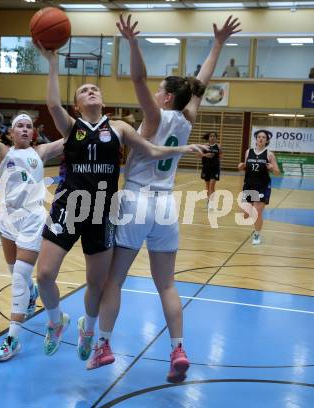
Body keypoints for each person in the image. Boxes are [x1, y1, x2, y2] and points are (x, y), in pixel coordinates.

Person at [88, 15, 241, 384]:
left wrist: (132, 42)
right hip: (166, 207)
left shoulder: (155, 118)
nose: (153, 93)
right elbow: (200, 86)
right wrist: (218, 43)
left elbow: (138, 78)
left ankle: (103, 345)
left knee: (114, 281)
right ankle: (178, 349)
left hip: (137, 201)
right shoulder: (187, 120)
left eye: (159, 90)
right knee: (167, 285)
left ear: (167, 97)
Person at [34, 41, 202, 361]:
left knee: (96, 284)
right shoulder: (72, 127)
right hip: (69, 205)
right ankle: (56, 322)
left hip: (103, 212)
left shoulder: (120, 127)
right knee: (44, 275)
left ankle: (89, 329)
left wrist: (182, 150)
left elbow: (151, 150)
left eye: (96, 88)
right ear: (77, 105)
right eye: (84, 90)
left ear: (103, 99)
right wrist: (53, 64)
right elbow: (53, 105)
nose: (92, 91)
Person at [0, 72, 65, 361]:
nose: (24, 129)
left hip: (33, 219)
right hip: (8, 222)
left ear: (33, 133)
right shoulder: (2, 152)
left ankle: (12, 339)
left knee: (20, 277)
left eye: (29, 127)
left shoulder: (42, 151)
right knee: (15, 273)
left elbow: (73, 136)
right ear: (11, 132)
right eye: (19, 126)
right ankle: (39, 301)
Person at [238, 129, 280, 245]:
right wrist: (241, 166)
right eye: (259, 137)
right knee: (246, 215)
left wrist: (272, 167)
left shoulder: (269, 154)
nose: (261, 139)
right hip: (249, 185)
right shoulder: (248, 152)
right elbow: (246, 166)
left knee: (257, 212)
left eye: (264, 137)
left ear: (266, 141)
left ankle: (257, 235)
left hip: (262, 186)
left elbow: (277, 172)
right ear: (256, 139)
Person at [199, 131, 222, 210]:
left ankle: (211, 204)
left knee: (212, 185)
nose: (212, 137)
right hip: (206, 168)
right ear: (208, 138)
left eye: (214, 136)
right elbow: (198, 155)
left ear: (216, 138)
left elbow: (221, 156)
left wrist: (216, 158)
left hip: (215, 168)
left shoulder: (218, 147)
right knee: (207, 186)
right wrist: (206, 155)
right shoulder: (204, 146)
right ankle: (208, 201)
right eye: (211, 136)